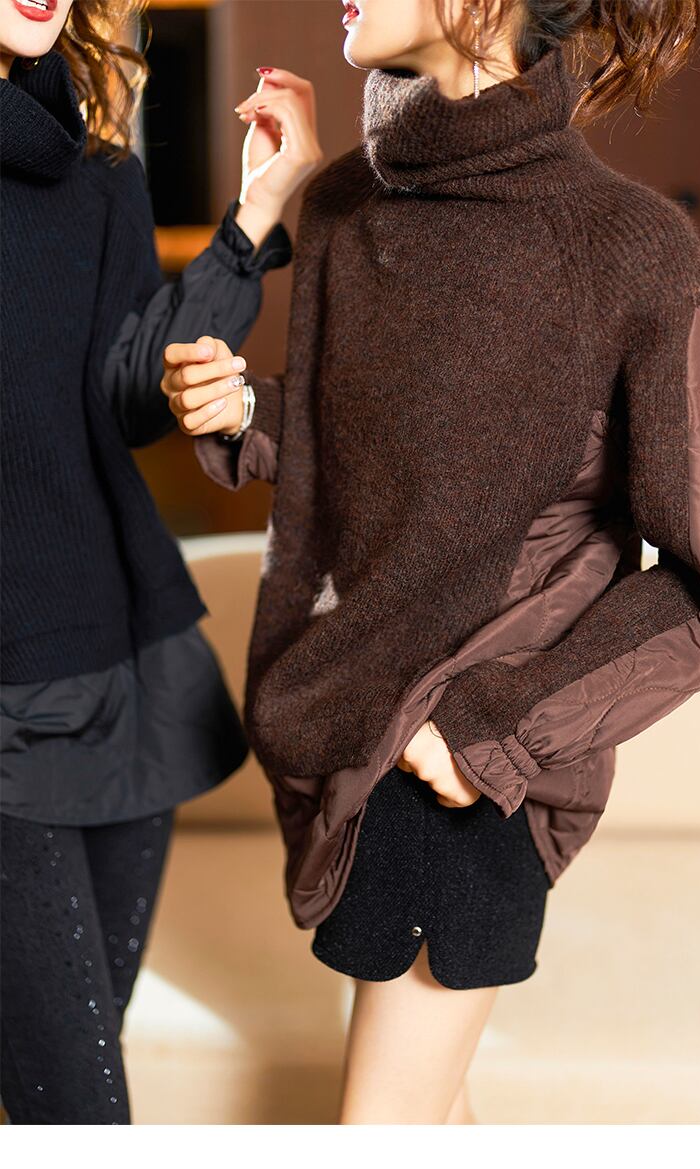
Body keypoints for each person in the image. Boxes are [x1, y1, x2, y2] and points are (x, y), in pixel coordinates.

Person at [162, 0, 700, 1125]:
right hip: (346, 733)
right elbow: (362, 455)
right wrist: (247, 413)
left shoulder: (629, 244)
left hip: (464, 768)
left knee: (382, 1133)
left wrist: (490, 733)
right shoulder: (344, 205)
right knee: (433, 1122)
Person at [0, 0, 296, 1125]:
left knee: (61, 1104)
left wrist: (251, 219)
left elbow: (128, 397)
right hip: (7, 700)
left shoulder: (97, 165)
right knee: (80, 1114)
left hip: (126, 670)